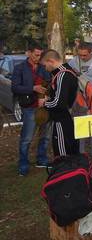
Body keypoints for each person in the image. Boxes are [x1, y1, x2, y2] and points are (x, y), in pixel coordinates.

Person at [11, 44, 51, 176]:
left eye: (41, 55)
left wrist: (44, 96)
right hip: (29, 108)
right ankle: (23, 164)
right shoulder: (19, 69)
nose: (39, 58)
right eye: (36, 55)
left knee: (45, 136)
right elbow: (15, 88)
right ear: (29, 53)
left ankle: (42, 159)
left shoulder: (43, 67)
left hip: (44, 106)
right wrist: (33, 88)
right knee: (27, 138)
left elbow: (49, 82)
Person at [40, 49, 79, 156]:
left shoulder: (62, 75)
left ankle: (65, 171)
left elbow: (59, 103)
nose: (45, 68)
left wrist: (44, 103)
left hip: (62, 120)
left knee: (62, 153)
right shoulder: (66, 70)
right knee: (71, 149)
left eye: (45, 65)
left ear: (51, 61)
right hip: (68, 117)